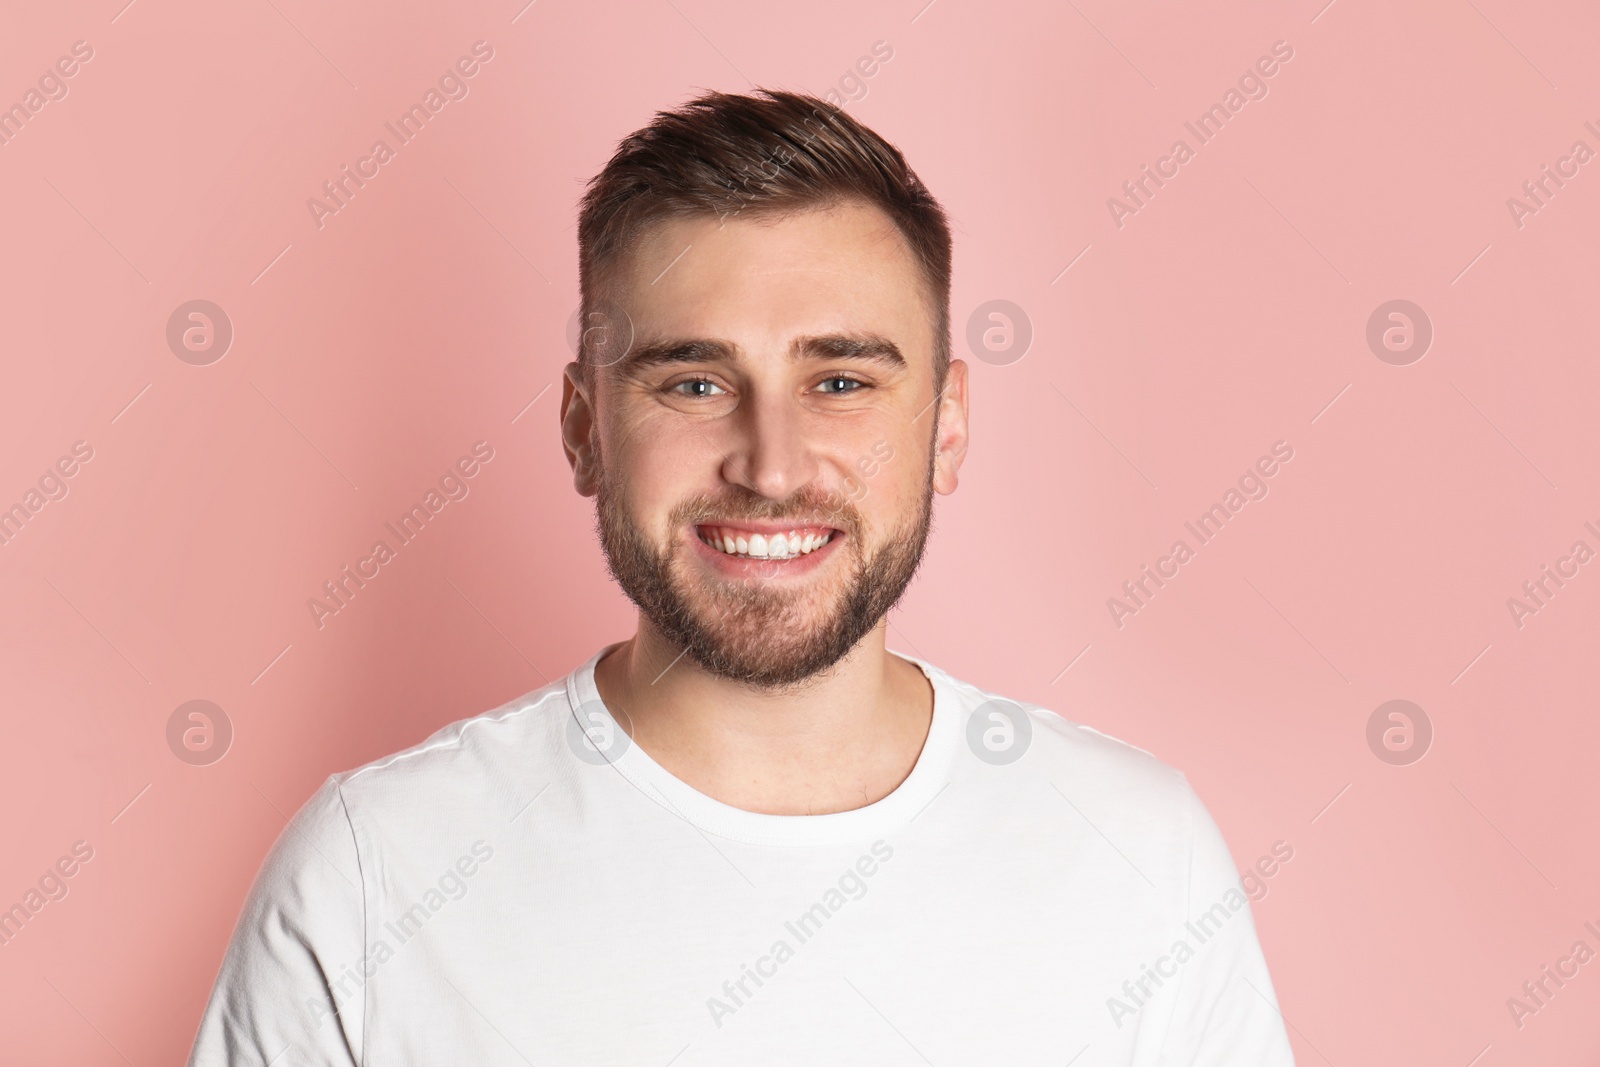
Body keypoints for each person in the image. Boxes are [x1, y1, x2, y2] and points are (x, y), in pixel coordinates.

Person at [187, 88, 1295, 1065]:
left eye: (843, 380)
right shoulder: (372, 873)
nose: (769, 465)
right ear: (582, 428)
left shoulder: (1137, 856)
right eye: (695, 384)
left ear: (947, 427)